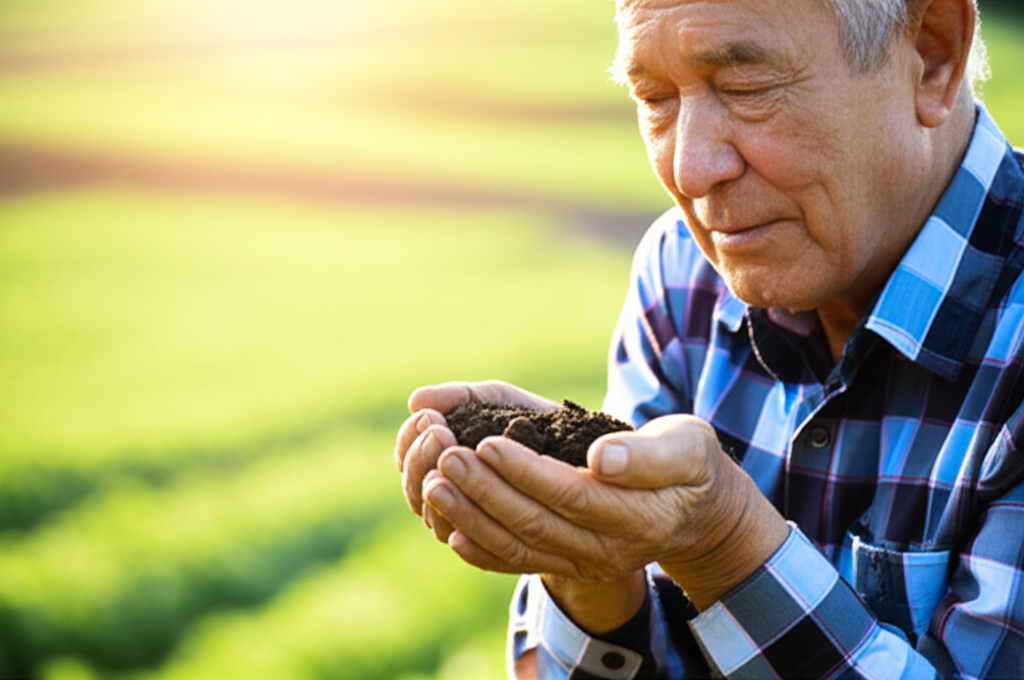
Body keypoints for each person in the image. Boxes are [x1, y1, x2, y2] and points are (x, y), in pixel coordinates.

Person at [394, 0, 1024, 676]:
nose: (690, 172)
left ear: (931, 55)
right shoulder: (684, 274)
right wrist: (589, 563)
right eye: (655, 98)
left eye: (746, 89)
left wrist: (723, 545)